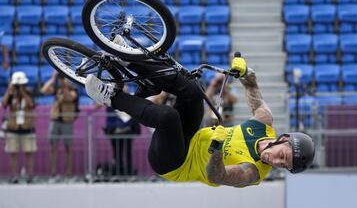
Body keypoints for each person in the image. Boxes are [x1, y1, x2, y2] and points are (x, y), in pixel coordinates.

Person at [84, 55, 315, 187]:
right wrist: (244, 72)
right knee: (193, 90)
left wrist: (216, 154)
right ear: (283, 139)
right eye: (282, 156)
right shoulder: (263, 122)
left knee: (168, 116)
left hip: (174, 163)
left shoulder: (253, 172)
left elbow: (219, 176)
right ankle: (127, 59)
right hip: (191, 136)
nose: (276, 162)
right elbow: (253, 87)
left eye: (283, 165)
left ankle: (110, 97)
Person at [40, 71, 79, 177]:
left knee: (68, 147)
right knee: (53, 147)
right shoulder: (58, 89)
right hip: (55, 120)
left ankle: (68, 171)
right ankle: (53, 172)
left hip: (67, 121)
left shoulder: (73, 91)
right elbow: (44, 90)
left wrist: (63, 84)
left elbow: (69, 97)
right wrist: (53, 78)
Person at [2, 72, 36, 183]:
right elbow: (3, 104)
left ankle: (29, 175)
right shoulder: (11, 94)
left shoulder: (29, 92)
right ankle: (14, 176)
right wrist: (9, 90)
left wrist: (22, 92)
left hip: (28, 129)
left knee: (29, 153)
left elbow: (31, 105)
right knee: (13, 153)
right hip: (13, 129)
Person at [104, 84, 140, 176]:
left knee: (128, 152)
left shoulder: (131, 98)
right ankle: (118, 172)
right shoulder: (110, 98)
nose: (126, 87)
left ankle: (129, 172)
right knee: (117, 153)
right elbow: (97, 105)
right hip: (115, 130)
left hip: (127, 129)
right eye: (124, 86)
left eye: (127, 85)